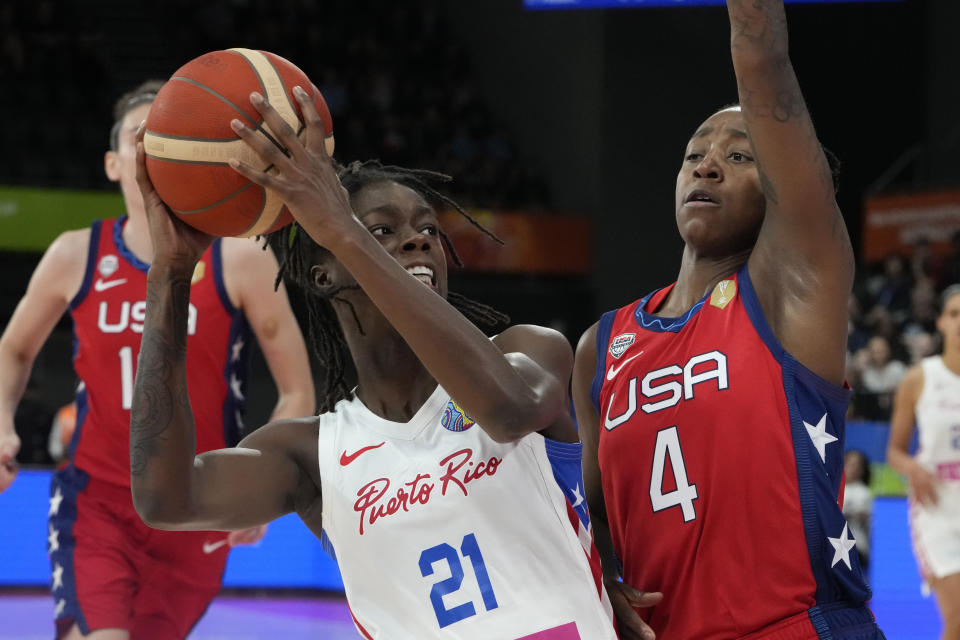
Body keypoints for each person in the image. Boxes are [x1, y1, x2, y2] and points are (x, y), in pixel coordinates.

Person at [126, 87, 618, 639]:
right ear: (323, 275)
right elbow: (164, 498)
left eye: (429, 229)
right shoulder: (310, 454)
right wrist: (169, 275)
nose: (417, 241)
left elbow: (507, 411)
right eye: (383, 229)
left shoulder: (528, 350)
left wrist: (344, 230)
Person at [570, 1, 883, 638]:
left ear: (779, 187)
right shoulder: (602, 344)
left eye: (739, 157)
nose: (706, 164)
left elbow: (763, 66)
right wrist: (602, 578)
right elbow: (592, 514)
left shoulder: (789, 289)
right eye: (694, 154)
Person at [0, 81, 315, 639]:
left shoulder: (239, 257)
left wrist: (260, 485)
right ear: (113, 165)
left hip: (196, 503)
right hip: (96, 504)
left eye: (167, 139)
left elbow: (296, 391)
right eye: (137, 138)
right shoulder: (77, 253)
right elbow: (14, 349)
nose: (151, 150)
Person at [888, 284, 960, 640]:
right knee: (958, 618)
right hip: (938, 513)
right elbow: (894, 451)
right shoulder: (920, 379)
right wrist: (914, 468)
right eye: (954, 313)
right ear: (941, 322)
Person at [842, 450, 873, 570]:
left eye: (855, 465)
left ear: (862, 470)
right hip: (832, 545)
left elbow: (867, 520)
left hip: (856, 546)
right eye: (848, 463)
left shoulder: (864, 493)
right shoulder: (833, 489)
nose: (851, 468)